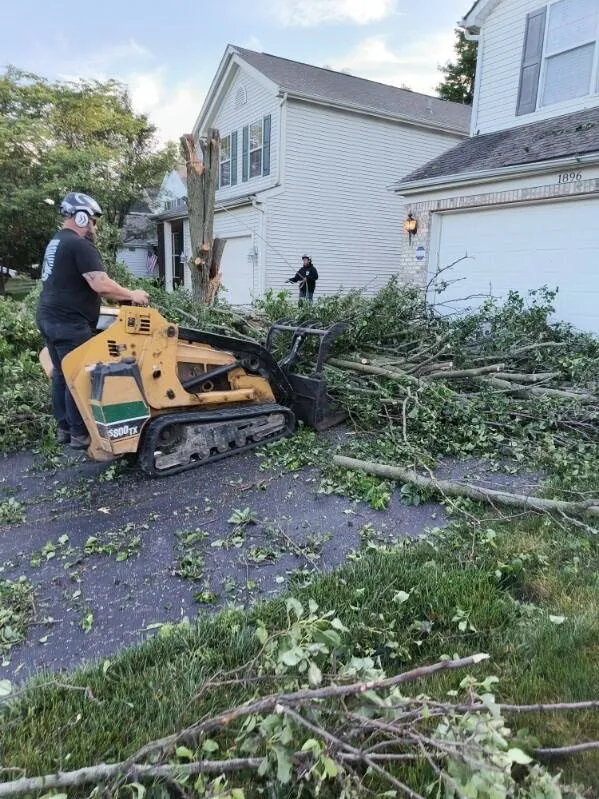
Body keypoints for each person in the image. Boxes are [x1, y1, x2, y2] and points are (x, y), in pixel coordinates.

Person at [36, 191, 150, 449]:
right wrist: (132, 294)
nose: (95, 227)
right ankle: (80, 434)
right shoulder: (79, 244)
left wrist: (113, 298)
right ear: (81, 216)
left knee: (62, 375)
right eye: (93, 220)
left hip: (49, 318)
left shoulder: (57, 241)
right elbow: (99, 283)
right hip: (69, 323)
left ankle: (64, 429)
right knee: (81, 375)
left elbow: (74, 283)